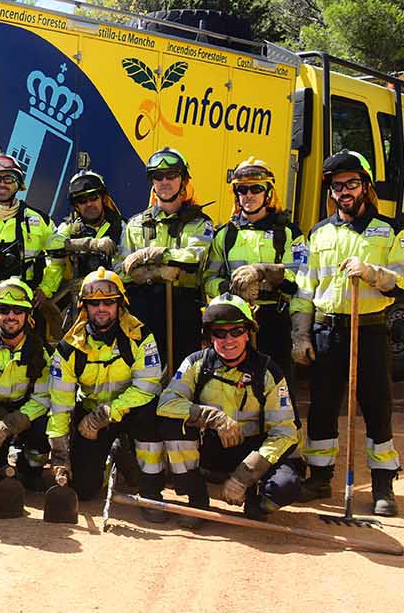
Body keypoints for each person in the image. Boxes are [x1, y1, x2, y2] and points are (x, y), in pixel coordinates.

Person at [291, 150, 404, 516]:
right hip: (328, 330)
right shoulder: (318, 233)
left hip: (371, 331)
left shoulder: (390, 230)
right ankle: (319, 477)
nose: (344, 191)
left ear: (365, 186)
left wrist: (375, 274)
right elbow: (304, 289)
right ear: (330, 191)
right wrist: (301, 336)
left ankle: (382, 484)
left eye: (351, 183)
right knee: (323, 406)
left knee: (377, 406)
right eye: (336, 185)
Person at [157, 294, 304, 526]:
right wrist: (212, 417)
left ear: (248, 333)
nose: (229, 340)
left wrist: (244, 476)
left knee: (287, 486)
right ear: (209, 335)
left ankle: (255, 501)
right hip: (211, 447)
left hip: (252, 453)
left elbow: (285, 432)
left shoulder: (268, 372)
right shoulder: (196, 364)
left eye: (236, 331)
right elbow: (166, 403)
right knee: (172, 424)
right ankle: (196, 500)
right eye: (220, 333)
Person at [46, 270, 164, 508]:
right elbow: (60, 402)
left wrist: (107, 413)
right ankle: (116, 453)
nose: (102, 308)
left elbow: (146, 388)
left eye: (109, 302)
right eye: (94, 303)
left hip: (131, 411)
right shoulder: (69, 349)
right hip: (89, 416)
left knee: (150, 415)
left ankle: (151, 490)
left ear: (120, 304)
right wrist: (59, 452)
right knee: (85, 489)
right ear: (84, 308)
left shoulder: (140, 337)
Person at [117, 148, 216, 371]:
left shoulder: (199, 223)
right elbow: (120, 267)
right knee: (143, 372)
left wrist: (154, 254)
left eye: (171, 175)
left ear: (183, 180)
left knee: (183, 373)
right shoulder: (135, 224)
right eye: (158, 176)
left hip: (183, 307)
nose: (164, 181)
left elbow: (194, 257)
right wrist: (148, 274)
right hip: (142, 308)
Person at [205, 159, 305, 379]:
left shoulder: (289, 233)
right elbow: (208, 279)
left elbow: (300, 275)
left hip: (275, 321)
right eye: (242, 189)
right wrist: (231, 288)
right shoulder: (224, 234)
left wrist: (264, 271)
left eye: (256, 189)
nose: (248, 195)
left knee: (279, 387)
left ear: (268, 193)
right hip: (235, 321)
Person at [0, 154, 65, 343]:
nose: (2, 184)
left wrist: (45, 290)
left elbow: (57, 258)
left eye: (9, 178)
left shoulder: (40, 221)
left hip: (27, 298)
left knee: (35, 356)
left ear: (18, 184)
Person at [0, 277, 52, 492]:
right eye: (4, 309)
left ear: (27, 315)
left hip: (26, 411)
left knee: (43, 434)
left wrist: (8, 426)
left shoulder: (39, 353)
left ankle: (30, 468)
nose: (11, 316)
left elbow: (43, 399)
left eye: (18, 310)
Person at [54, 169, 124, 323]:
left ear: (103, 198)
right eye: (82, 200)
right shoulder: (69, 228)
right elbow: (53, 244)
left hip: (111, 303)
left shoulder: (122, 227)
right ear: (76, 206)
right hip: (78, 303)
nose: (89, 204)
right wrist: (90, 244)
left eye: (93, 198)